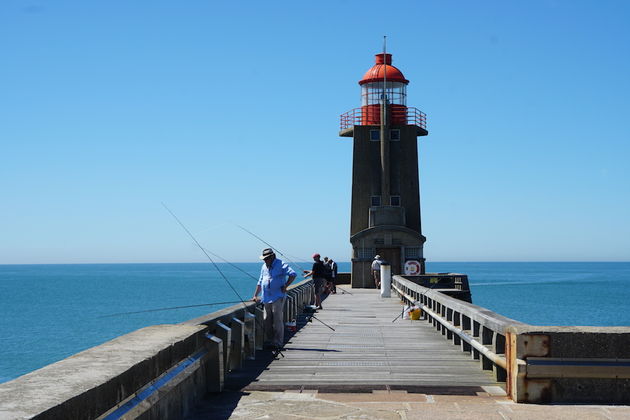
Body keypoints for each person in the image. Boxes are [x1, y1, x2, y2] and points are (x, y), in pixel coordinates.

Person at [252, 248, 297, 350]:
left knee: (277, 320)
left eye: (266, 258)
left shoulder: (281, 264)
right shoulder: (264, 266)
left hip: (278, 296)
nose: (265, 260)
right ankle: (271, 340)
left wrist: (286, 286)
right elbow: (260, 281)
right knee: (266, 320)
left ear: (272, 257)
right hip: (266, 297)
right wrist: (255, 295)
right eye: (264, 259)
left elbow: (293, 274)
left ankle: (278, 342)